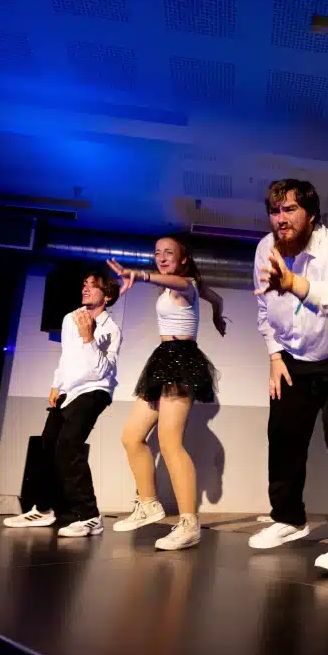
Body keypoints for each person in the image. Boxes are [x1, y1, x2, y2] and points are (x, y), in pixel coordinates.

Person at [248, 179, 328, 576]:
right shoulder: (265, 248)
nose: (279, 219)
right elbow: (264, 310)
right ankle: (288, 519)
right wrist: (274, 354)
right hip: (292, 357)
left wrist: (295, 284)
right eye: (274, 210)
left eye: (288, 210)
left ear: (311, 214)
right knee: (282, 436)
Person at [105, 234, 227, 551]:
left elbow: (183, 285)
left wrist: (140, 275)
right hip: (163, 358)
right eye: (157, 253)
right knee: (131, 435)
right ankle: (148, 504)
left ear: (183, 258)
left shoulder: (184, 283)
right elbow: (216, 298)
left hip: (182, 360)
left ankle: (189, 523)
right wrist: (215, 313)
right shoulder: (190, 286)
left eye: (168, 252)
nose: (161, 257)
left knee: (170, 442)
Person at [4, 270, 122, 537]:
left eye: (94, 286)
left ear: (108, 295)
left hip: (95, 391)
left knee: (69, 445)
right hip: (68, 390)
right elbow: (67, 356)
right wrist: (57, 383)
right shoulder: (71, 317)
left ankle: (90, 517)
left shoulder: (110, 329)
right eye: (84, 284)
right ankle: (44, 509)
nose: (86, 289)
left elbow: (101, 371)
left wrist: (89, 337)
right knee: (47, 446)